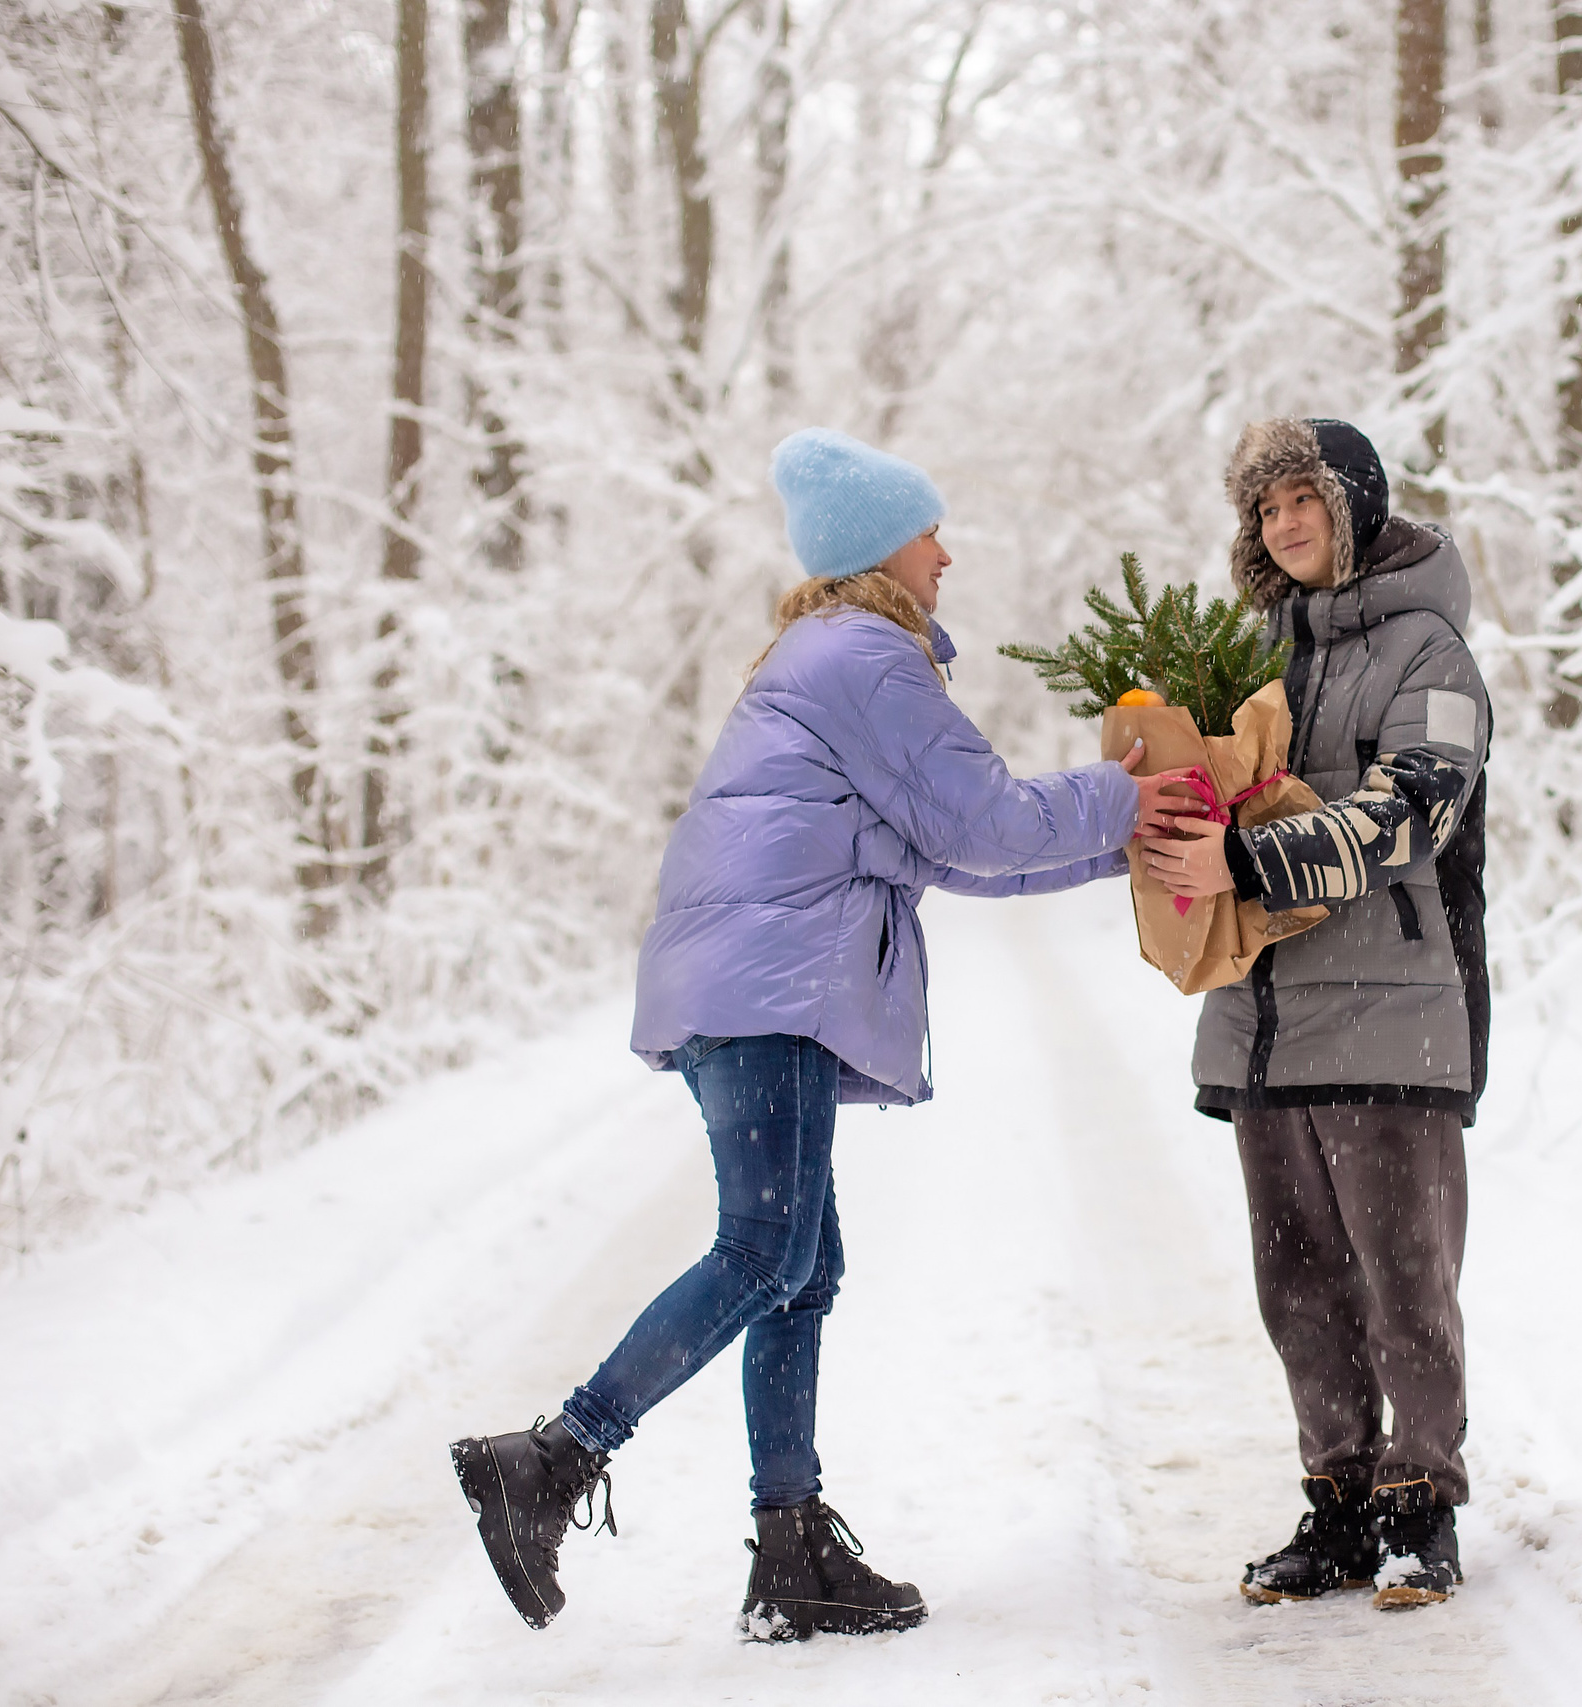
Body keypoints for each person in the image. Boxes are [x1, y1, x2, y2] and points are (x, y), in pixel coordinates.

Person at [449, 428, 1178, 1642]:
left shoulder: (821, 655)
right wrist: (1130, 793)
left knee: (798, 1266)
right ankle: (554, 1458)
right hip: (767, 986)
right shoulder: (864, 656)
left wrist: (1118, 847)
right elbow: (986, 817)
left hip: (742, 985)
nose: (948, 553)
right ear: (879, 547)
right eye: (929, 530)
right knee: (764, 1250)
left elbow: (947, 850)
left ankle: (788, 1549)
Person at [1140, 417, 1491, 1611]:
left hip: (1392, 1008)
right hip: (1265, 1014)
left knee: (1403, 1274)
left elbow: (1415, 811)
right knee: (1295, 1283)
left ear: (1354, 505)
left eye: (1303, 500)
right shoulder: (1254, 659)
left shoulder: (1428, 651)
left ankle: (1421, 1503)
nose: (1284, 524)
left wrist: (1247, 863)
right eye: (1265, 509)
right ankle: (1338, 1499)